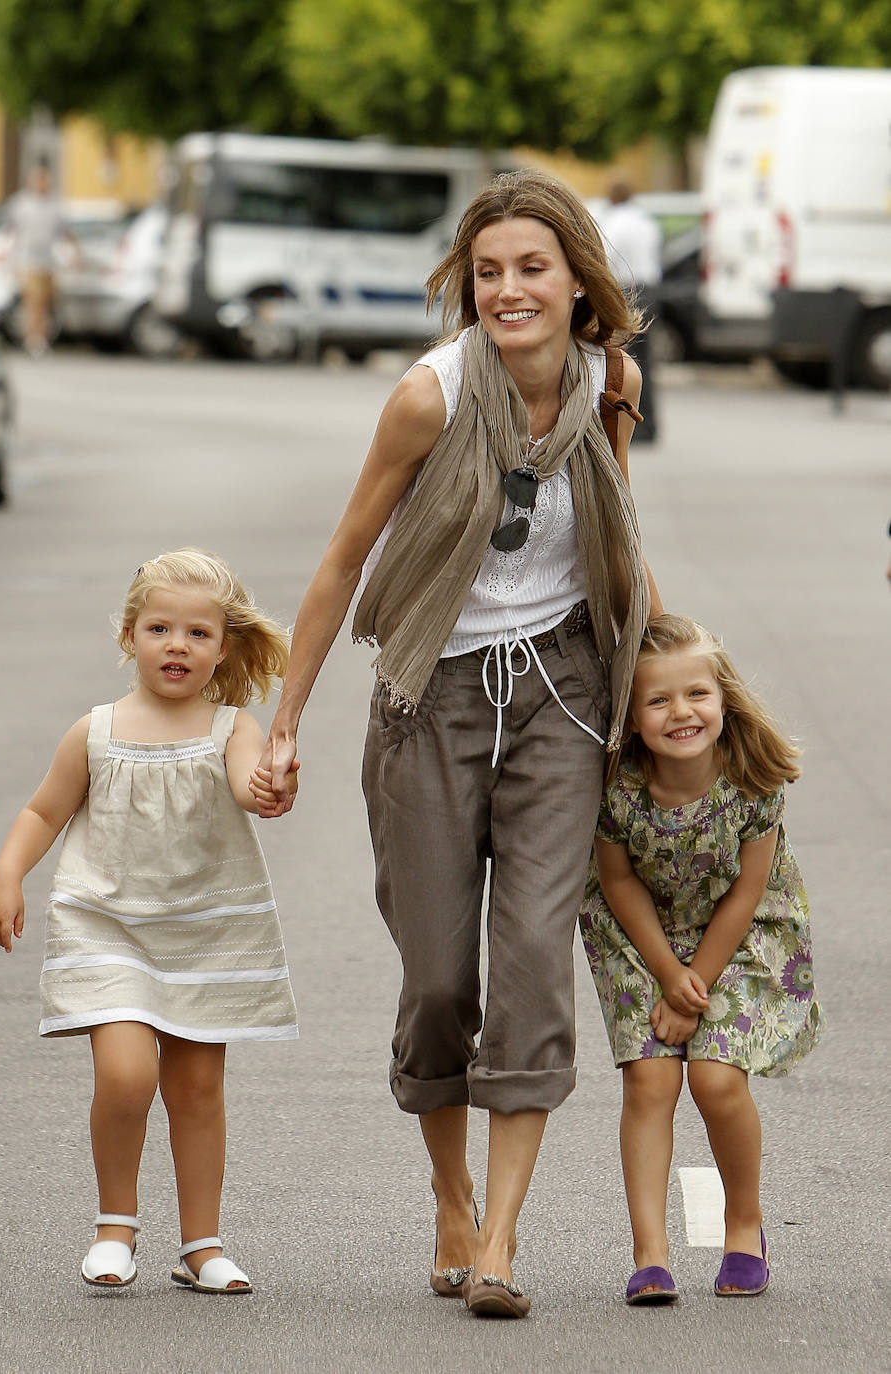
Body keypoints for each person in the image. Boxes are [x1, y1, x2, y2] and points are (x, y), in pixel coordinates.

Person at [253, 169, 662, 1319]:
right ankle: (448, 1195)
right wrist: (282, 721)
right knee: (439, 979)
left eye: (532, 268)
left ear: (578, 278)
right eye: (488, 272)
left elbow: (618, 537)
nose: (508, 290)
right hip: (428, 696)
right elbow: (344, 561)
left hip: (563, 696)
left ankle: (499, 1239)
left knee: (533, 960)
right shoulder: (427, 398)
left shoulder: (610, 379)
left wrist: (662, 692)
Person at [0, 549, 298, 1294]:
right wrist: (5, 875)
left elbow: (252, 789)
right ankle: (114, 1226)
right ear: (130, 635)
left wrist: (273, 784)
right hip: (106, 921)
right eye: (159, 628)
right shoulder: (94, 731)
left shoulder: (230, 728)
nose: (177, 645)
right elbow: (43, 811)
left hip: (203, 927)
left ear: (224, 646)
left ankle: (201, 1245)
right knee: (125, 1078)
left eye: (196, 633)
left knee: (195, 1089)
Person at [579, 614, 821, 1305]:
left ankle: (743, 1224)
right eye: (658, 701)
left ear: (724, 699)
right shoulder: (616, 786)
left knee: (716, 1081)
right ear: (630, 717)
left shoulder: (752, 778)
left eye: (696, 695)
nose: (681, 712)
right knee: (651, 1083)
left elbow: (750, 890)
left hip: (738, 936)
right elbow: (617, 881)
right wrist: (666, 973)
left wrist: (698, 983)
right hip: (640, 935)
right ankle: (650, 1254)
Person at [596, 178, 663, 443]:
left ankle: (631, 424)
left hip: (628, 291)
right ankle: (651, 425)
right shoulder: (646, 220)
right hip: (651, 289)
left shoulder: (614, 222)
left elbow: (607, 260)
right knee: (648, 362)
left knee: (627, 364)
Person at [6, 160, 75, 357]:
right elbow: (11, 233)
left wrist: (74, 255)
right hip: (28, 260)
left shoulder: (54, 205)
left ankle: (41, 337)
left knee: (47, 302)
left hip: (49, 260)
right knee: (33, 302)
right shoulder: (21, 205)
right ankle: (33, 339)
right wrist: (10, 261)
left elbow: (66, 232)